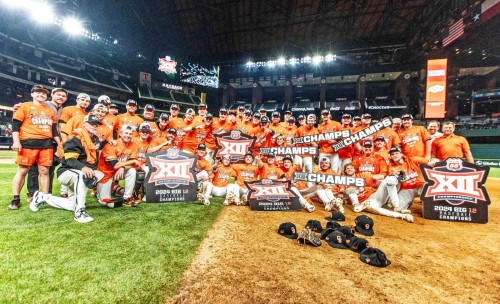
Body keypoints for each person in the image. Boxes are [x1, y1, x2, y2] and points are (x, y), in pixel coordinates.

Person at [30, 115, 104, 223]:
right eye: (92, 123)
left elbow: (93, 160)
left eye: (96, 124)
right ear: (84, 124)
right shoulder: (75, 138)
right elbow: (70, 160)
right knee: (82, 175)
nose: (95, 126)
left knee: (71, 205)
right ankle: (79, 212)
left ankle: (42, 197)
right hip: (66, 172)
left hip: (77, 173)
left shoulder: (95, 139)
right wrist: (84, 168)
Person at [10, 85, 61, 210]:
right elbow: (15, 126)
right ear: (32, 94)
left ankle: (45, 197)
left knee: (44, 171)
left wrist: (60, 145)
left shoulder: (50, 111)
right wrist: (16, 142)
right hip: (28, 143)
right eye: (38, 92)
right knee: (22, 171)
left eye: (43, 93)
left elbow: (54, 130)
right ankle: (15, 198)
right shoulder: (24, 106)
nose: (41, 95)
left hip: (46, 144)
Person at [24, 87, 68, 202]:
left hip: (54, 141)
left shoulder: (62, 109)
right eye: (58, 95)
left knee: (50, 168)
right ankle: (32, 193)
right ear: (52, 95)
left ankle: (47, 193)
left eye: (63, 96)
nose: (61, 97)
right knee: (33, 168)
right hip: (40, 140)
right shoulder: (45, 104)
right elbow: (30, 106)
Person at [97, 126, 139, 207]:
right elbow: (116, 165)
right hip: (106, 173)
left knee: (132, 171)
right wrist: (133, 161)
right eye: (126, 133)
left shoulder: (134, 145)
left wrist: (123, 168)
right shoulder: (111, 145)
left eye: (130, 134)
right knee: (105, 203)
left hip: (119, 171)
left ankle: (127, 198)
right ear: (120, 134)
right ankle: (100, 190)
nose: (128, 135)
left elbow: (131, 164)